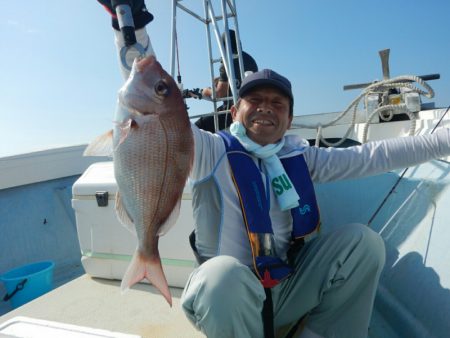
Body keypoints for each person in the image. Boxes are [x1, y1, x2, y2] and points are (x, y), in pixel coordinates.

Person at [98, 2, 450, 337]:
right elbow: (147, 88)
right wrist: (129, 25)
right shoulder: (210, 150)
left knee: (364, 244)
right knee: (222, 277)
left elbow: (375, 155)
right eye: (255, 100)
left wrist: (444, 140)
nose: (266, 108)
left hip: (285, 287)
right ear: (235, 112)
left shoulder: (302, 158)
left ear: (289, 120)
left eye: (277, 103)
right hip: (228, 299)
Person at [194, 29, 258, 132]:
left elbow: (219, 94)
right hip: (250, 108)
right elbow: (239, 80)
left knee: (197, 128)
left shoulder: (227, 61)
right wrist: (221, 79)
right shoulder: (250, 60)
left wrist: (206, 91)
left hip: (232, 109)